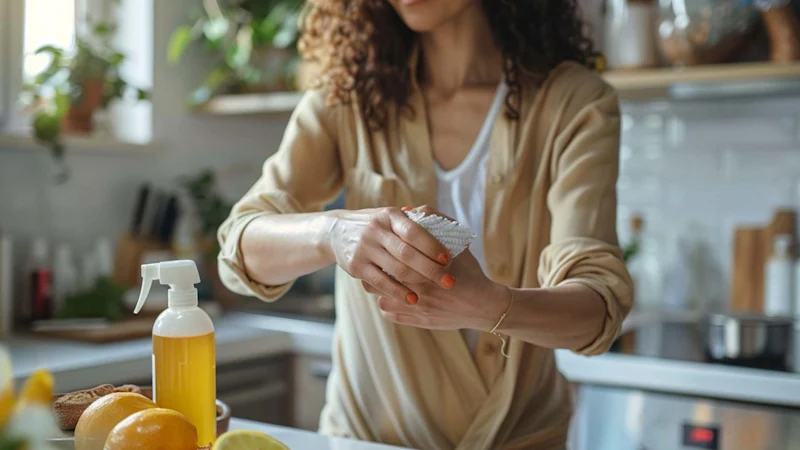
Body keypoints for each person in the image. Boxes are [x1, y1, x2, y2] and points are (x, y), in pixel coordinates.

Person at [217, 0, 634, 448]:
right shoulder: (350, 96)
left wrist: (490, 305)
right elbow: (240, 246)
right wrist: (332, 233)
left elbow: (596, 310)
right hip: (369, 442)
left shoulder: (574, 102)